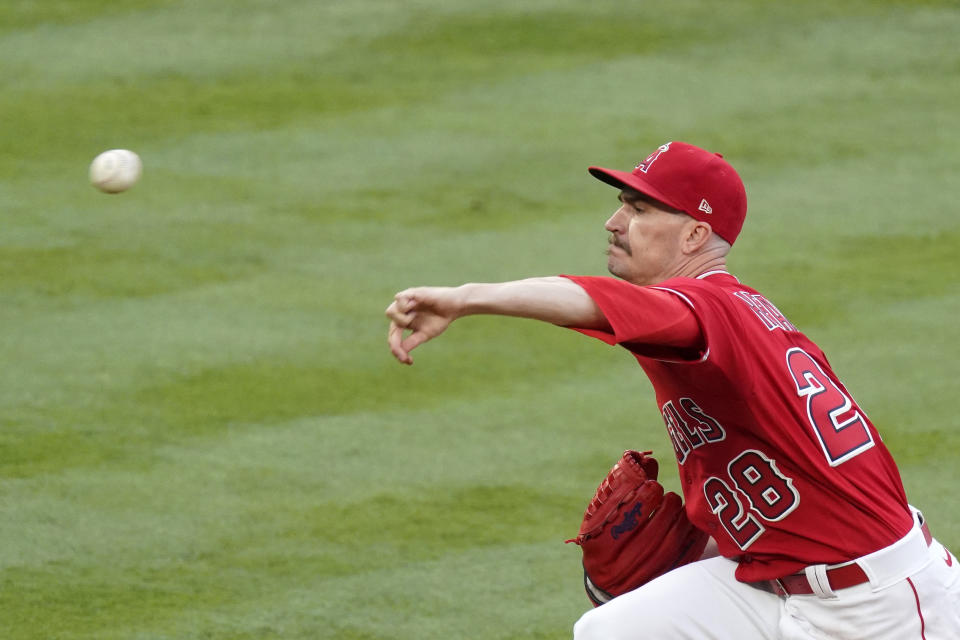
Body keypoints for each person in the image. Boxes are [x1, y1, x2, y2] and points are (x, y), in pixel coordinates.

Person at [384, 141, 960, 639]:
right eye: (620, 205)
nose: (614, 222)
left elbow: (589, 301)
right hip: (779, 582)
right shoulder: (727, 312)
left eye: (637, 208)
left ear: (695, 234)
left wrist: (467, 297)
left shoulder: (708, 308)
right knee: (613, 630)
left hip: (882, 603)